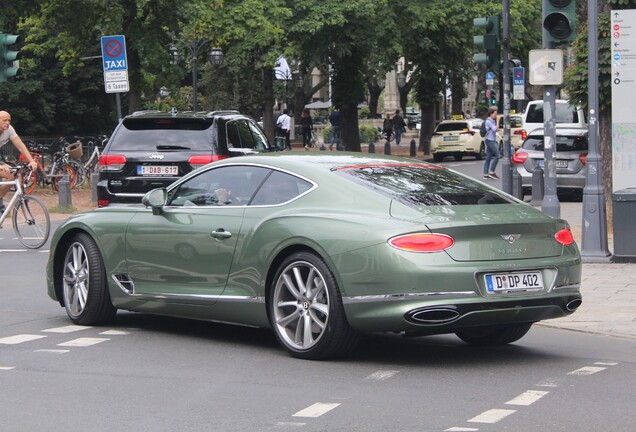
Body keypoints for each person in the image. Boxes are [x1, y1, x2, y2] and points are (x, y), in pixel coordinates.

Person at [0, 111, 39, 213]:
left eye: (9, 120)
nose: (7, 123)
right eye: (4, 120)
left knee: (11, 174)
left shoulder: (9, 129)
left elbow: (20, 145)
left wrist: (31, 161)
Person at [483, 107, 500, 179]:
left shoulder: (492, 120)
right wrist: (498, 120)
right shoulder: (488, 121)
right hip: (490, 140)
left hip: (491, 139)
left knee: (488, 157)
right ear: (491, 114)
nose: (496, 115)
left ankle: (485, 174)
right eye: (495, 114)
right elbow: (495, 129)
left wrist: (496, 122)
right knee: (497, 155)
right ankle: (492, 172)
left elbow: (496, 129)